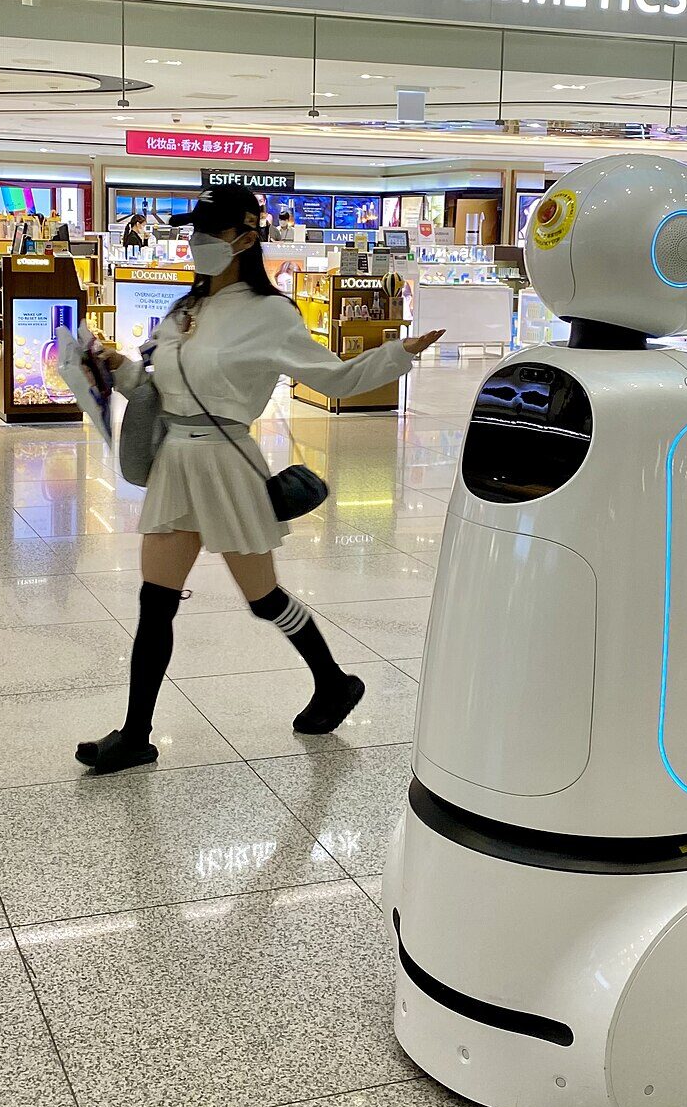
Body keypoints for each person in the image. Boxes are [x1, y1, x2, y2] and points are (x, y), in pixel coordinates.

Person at [77, 184, 444, 772]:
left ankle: (333, 682)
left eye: (210, 232)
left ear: (246, 239)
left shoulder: (271, 314)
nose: (197, 241)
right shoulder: (185, 310)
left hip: (226, 465)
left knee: (264, 598)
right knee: (154, 602)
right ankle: (136, 735)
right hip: (175, 463)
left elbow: (335, 378)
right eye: (194, 231)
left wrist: (398, 353)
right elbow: (157, 389)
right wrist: (113, 367)